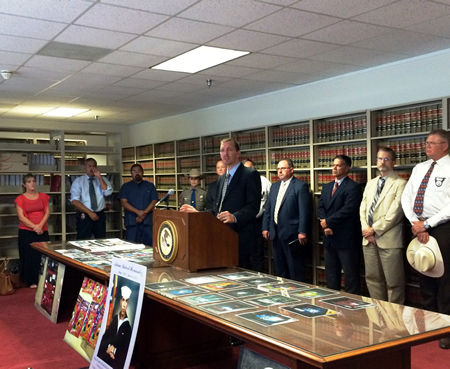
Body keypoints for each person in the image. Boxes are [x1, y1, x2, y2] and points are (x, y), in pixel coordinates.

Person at [401, 129, 450, 349]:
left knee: (445, 279)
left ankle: (446, 329)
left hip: (443, 228)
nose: (426, 146)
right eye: (426, 142)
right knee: (424, 274)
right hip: (417, 226)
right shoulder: (419, 168)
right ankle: (430, 324)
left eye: (431, 143)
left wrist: (428, 224)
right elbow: (407, 197)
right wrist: (415, 223)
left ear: (445, 145)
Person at [180, 138, 261, 269]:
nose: (225, 153)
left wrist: (234, 217)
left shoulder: (250, 174)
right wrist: (198, 214)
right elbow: (216, 209)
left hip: (240, 238)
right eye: (222, 150)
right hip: (220, 237)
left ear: (238, 153)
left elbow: (253, 207)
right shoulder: (222, 179)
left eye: (229, 150)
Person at [359, 147, 407, 304]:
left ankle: (394, 319)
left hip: (389, 239)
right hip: (368, 239)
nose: (382, 162)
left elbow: (396, 213)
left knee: (394, 282)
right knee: (373, 279)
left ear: (393, 162)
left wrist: (374, 230)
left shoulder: (401, 183)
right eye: (380, 158)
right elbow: (363, 208)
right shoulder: (371, 183)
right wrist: (366, 229)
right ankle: (379, 316)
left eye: (386, 159)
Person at [318, 155, 362, 294]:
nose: (334, 168)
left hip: (346, 238)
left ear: (347, 168)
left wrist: (329, 222)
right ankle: (332, 302)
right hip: (329, 237)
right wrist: (325, 225)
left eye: (338, 165)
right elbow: (321, 207)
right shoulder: (327, 187)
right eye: (333, 165)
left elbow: (349, 210)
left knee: (350, 276)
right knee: (331, 275)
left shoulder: (353, 187)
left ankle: (352, 305)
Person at [262, 159, 311, 281]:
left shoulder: (300, 186)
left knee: (295, 269)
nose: (280, 171)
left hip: (292, 235)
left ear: (291, 170)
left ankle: (297, 295)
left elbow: (304, 211)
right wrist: (265, 227)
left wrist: (302, 231)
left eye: (283, 168)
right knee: (280, 269)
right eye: (278, 169)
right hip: (275, 234)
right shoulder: (274, 186)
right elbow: (269, 209)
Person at [14, 173, 50, 288]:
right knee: (30, 256)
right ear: (24, 184)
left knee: (44, 255)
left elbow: (47, 212)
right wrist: (35, 227)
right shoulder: (20, 199)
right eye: (29, 181)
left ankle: (45, 278)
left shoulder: (43, 196)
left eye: (33, 181)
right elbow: (21, 217)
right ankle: (32, 280)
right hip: (27, 231)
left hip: (42, 229)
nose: (32, 183)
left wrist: (40, 226)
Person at [70, 158, 113, 240]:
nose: (92, 168)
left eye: (94, 166)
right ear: (85, 168)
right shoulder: (78, 181)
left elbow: (107, 193)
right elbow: (75, 201)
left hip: (99, 215)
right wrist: (90, 213)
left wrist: (100, 178)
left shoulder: (102, 179)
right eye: (89, 166)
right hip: (85, 215)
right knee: (83, 241)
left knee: (101, 240)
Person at [243, 158, 272, 272]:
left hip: (259, 221)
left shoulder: (264, 182)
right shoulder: (240, 183)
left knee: (258, 253)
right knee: (244, 254)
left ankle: (258, 277)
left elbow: (270, 202)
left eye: (250, 168)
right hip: (244, 223)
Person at [118, 164, 158, 246]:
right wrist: (138, 212)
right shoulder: (126, 187)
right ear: (131, 174)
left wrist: (143, 214)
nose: (137, 173)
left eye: (139, 171)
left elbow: (154, 201)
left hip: (147, 222)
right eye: (134, 171)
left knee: (150, 247)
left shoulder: (150, 186)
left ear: (143, 173)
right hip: (132, 222)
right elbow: (123, 202)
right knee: (131, 247)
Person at [98, 286, 132, 368]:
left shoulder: (127, 326)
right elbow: (107, 336)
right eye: (123, 300)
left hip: (116, 360)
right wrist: (110, 349)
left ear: (128, 304)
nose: (124, 305)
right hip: (106, 353)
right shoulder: (115, 319)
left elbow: (125, 347)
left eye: (126, 301)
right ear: (120, 301)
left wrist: (114, 350)